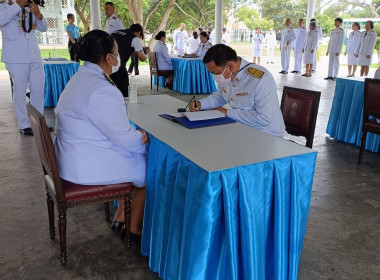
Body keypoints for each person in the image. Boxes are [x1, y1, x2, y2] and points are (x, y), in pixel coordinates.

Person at [54, 30, 149, 237]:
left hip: (71, 155)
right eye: (116, 52)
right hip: (84, 165)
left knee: (132, 154)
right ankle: (133, 227)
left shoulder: (80, 77)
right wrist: (140, 137)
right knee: (146, 167)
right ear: (108, 58)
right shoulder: (102, 89)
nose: (118, 57)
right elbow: (124, 138)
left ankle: (121, 217)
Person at [189, 44, 285, 137]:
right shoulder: (228, 75)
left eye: (216, 73)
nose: (215, 77)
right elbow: (220, 97)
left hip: (267, 134)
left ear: (230, 66)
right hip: (241, 127)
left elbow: (264, 118)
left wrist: (227, 112)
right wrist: (200, 104)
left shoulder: (261, 79)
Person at [1, 0, 47, 136]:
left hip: (34, 55)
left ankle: (39, 123)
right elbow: (1, 20)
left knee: (38, 89)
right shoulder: (2, 6)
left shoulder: (27, 6)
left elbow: (43, 28)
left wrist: (38, 14)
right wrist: (18, 5)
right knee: (20, 91)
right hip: (16, 57)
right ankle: (24, 124)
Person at [111, 24, 150, 97]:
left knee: (110, 93)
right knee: (123, 94)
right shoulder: (134, 38)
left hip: (106, 68)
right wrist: (146, 53)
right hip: (119, 68)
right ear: (139, 32)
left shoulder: (115, 32)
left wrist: (139, 50)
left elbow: (124, 49)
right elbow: (142, 58)